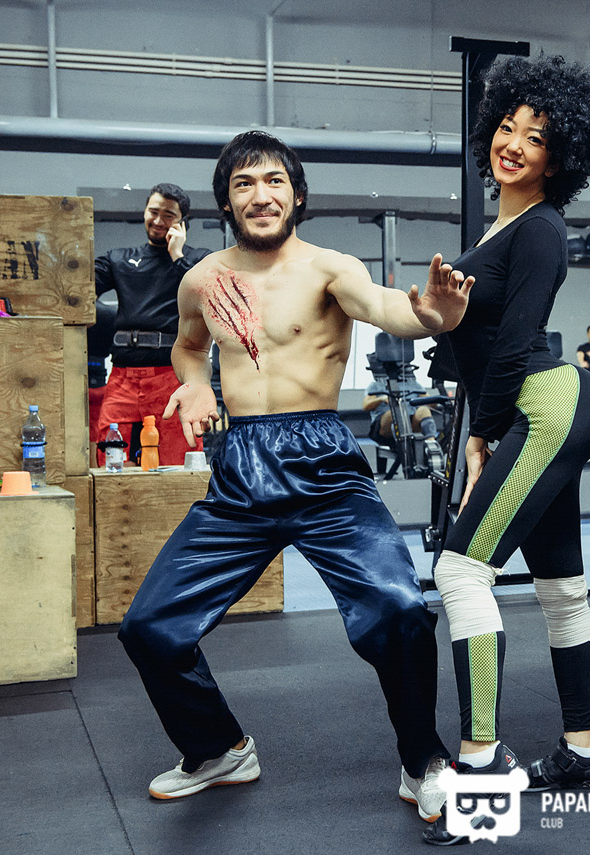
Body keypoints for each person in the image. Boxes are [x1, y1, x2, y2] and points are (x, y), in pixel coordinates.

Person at [115, 132, 472, 831]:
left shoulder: (329, 268)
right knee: (150, 628)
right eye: (244, 184)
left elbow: (389, 309)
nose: (261, 195)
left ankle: (424, 759)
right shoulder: (202, 279)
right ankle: (218, 749)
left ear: (297, 194)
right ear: (226, 201)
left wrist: (434, 315)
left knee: (400, 609)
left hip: (322, 462)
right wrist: (196, 385)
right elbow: (188, 346)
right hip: (241, 470)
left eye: (273, 180)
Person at [426, 54, 590, 846]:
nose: (514, 143)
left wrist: (484, 432)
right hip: (540, 406)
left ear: (559, 156)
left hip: (542, 407)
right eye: (507, 126)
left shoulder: (540, 230)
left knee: (460, 570)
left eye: (535, 137)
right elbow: (474, 344)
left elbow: (512, 343)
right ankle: (583, 748)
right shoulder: (500, 227)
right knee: (561, 588)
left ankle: (479, 765)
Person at [95, 183, 209, 465]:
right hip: (122, 377)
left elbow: (204, 296)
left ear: (183, 221)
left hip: (172, 375)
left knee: (179, 460)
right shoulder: (119, 259)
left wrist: (177, 256)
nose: (158, 221)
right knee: (110, 459)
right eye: (153, 212)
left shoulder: (197, 260)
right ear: (144, 211)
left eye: (169, 215)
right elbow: (76, 288)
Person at [361, 376, 444, 469]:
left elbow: (432, 404)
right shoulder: (376, 385)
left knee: (423, 410)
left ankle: (431, 443)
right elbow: (366, 405)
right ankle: (401, 446)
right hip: (385, 425)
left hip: (410, 422)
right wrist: (382, 398)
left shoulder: (413, 384)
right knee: (394, 413)